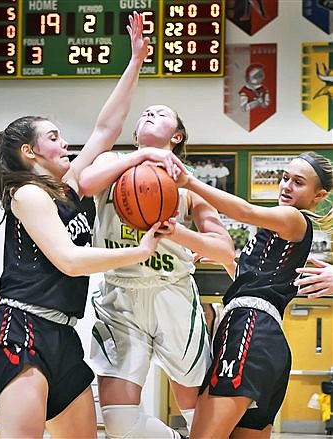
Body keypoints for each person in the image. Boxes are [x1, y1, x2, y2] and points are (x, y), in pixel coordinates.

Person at [0, 13, 182, 439]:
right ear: (30, 152)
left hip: (64, 332)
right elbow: (71, 261)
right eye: (53, 137)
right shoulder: (27, 194)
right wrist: (141, 250)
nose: (66, 143)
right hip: (22, 327)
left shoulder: (70, 186)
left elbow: (106, 129)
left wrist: (136, 62)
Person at [79, 105, 236, 438]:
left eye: (161, 113)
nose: (149, 113)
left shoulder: (188, 184)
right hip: (119, 294)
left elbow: (223, 249)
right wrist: (145, 155)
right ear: (135, 134)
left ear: (177, 135)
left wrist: (176, 232)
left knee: (200, 417)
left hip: (172, 293)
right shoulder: (110, 163)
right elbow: (87, 183)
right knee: (120, 425)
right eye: (145, 112)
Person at [175, 151, 332, 439]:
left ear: (317, 196)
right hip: (267, 339)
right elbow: (258, 285)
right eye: (285, 177)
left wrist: (189, 182)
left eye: (298, 182)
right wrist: (228, 263)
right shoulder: (283, 231)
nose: (286, 186)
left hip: (248, 329)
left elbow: (244, 211)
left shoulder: (291, 217)